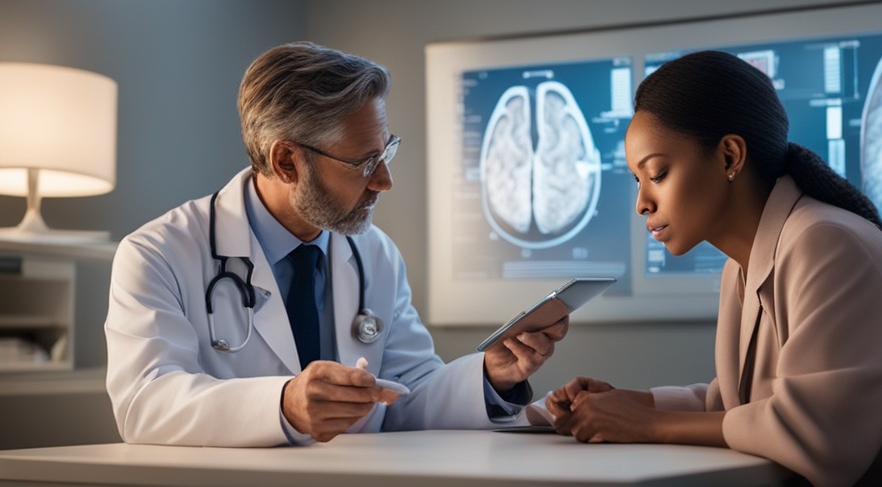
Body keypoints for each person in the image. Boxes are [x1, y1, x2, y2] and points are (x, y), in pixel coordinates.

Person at [544, 50, 882, 486]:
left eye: (658, 174)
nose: (642, 203)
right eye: (637, 180)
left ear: (729, 155)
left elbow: (818, 438)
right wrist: (631, 403)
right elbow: (748, 408)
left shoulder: (828, 243)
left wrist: (644, 425)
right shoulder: (747, 263)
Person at [104, 41, 567, 447]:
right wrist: (284, 405)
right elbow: (145, 404)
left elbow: (405, 394)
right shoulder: (157, 254)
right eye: (366, 162)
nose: (385, 181)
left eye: (387, 152)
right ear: (287, 161)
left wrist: (490, 375)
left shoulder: (375, 255)